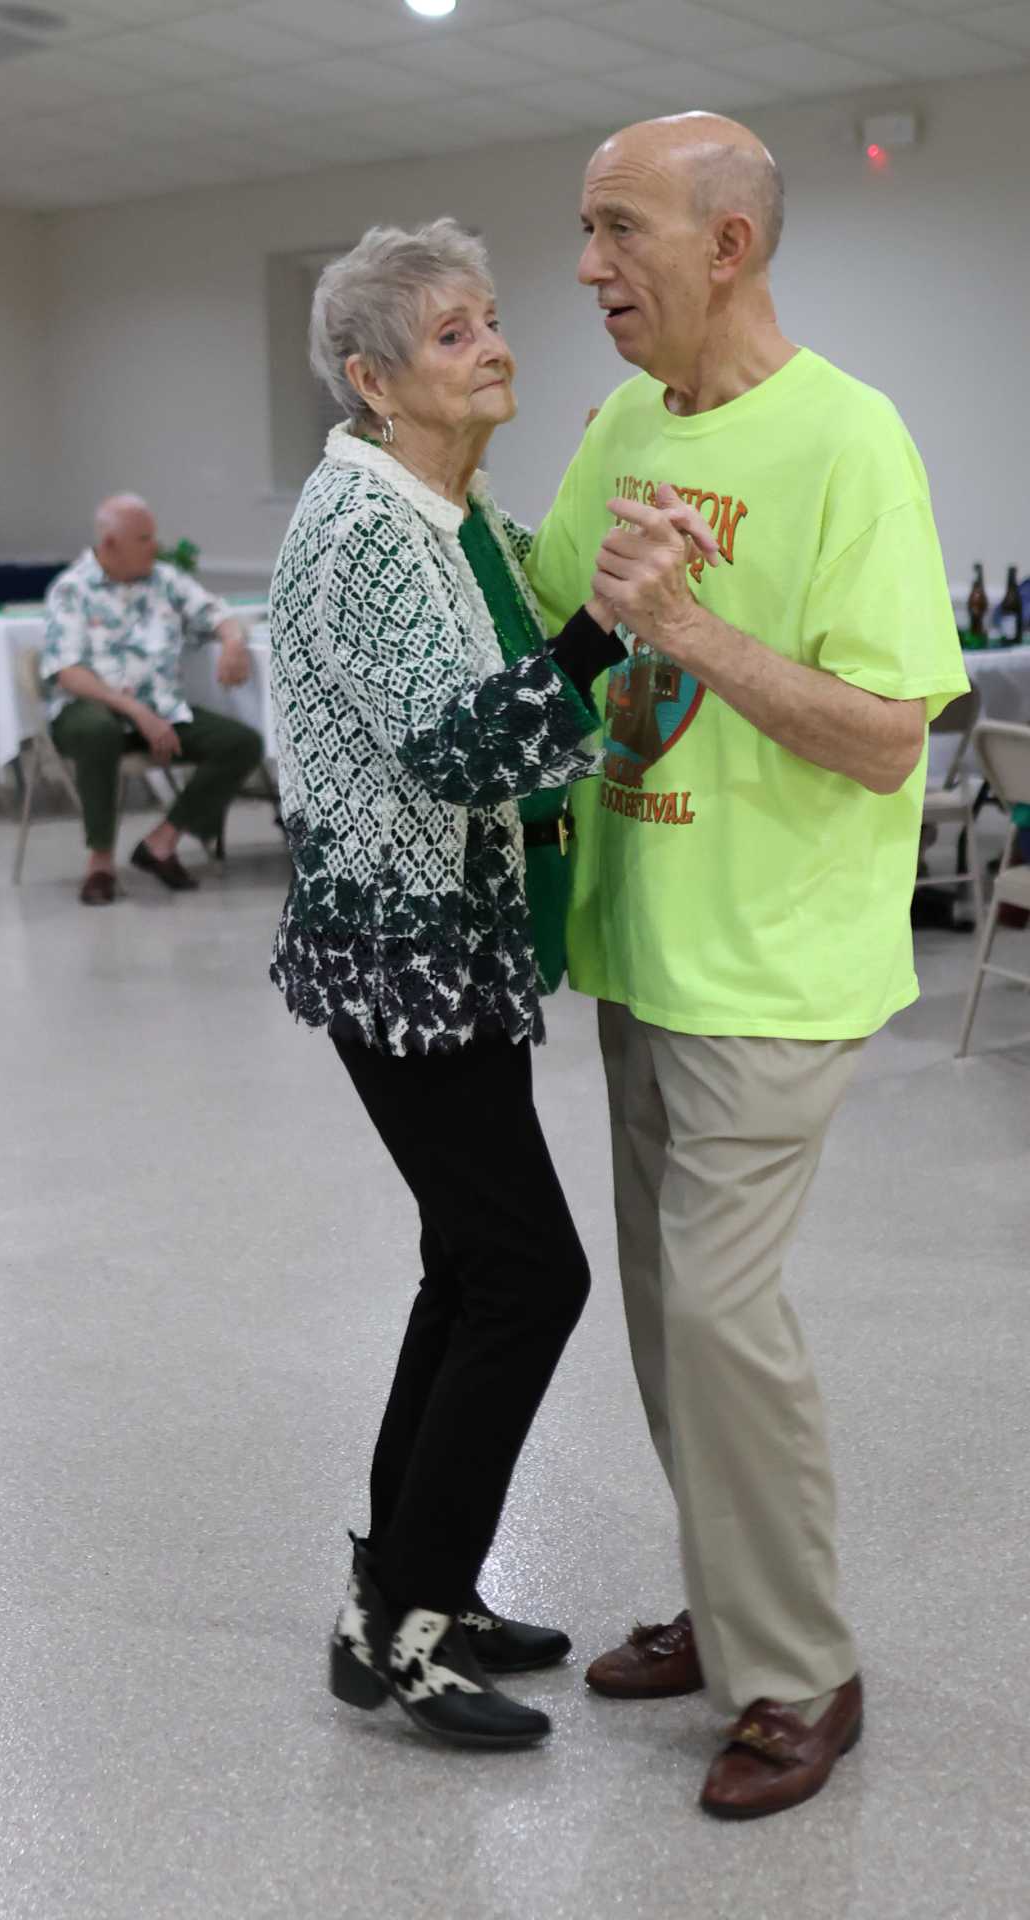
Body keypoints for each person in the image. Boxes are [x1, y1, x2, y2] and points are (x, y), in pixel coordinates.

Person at [526, 114, 969, 1816]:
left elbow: (888, 738)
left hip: (776, 965)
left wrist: (693, 628)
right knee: (669, 1319)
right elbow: (549, 615)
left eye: (618, 229)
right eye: (584, 231)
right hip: (641, 942)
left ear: (727, 246)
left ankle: (798, 1670)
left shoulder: (852, 438)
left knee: (721, 1314)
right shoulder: (626, 423)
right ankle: (729, 1607)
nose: (587, 267)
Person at [269, 219, 701, 1752]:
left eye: (492, 318)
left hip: (465, 937)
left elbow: (530, 669)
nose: (497, 346)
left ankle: (406, 1589)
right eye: (453, 334)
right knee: (528, 1277)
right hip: (402, 948)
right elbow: (465, 747)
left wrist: (619, 570)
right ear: (375, 379)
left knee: (468, 1267)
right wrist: (604, 627)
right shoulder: (361, 527)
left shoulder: (459, 511)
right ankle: (407, 1622)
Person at [41, 494, 262, 904]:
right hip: (92, 710)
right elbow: (68, 671)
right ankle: (100, 864)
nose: (154, 546)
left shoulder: (166, 580)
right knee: (98, 731)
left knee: (241, 743)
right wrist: (136, 711)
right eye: (143, 538)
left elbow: (217, 613)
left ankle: (161, 843)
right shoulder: (72, 589)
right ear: (110, 544)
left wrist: (232, 642)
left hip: (161, 710)